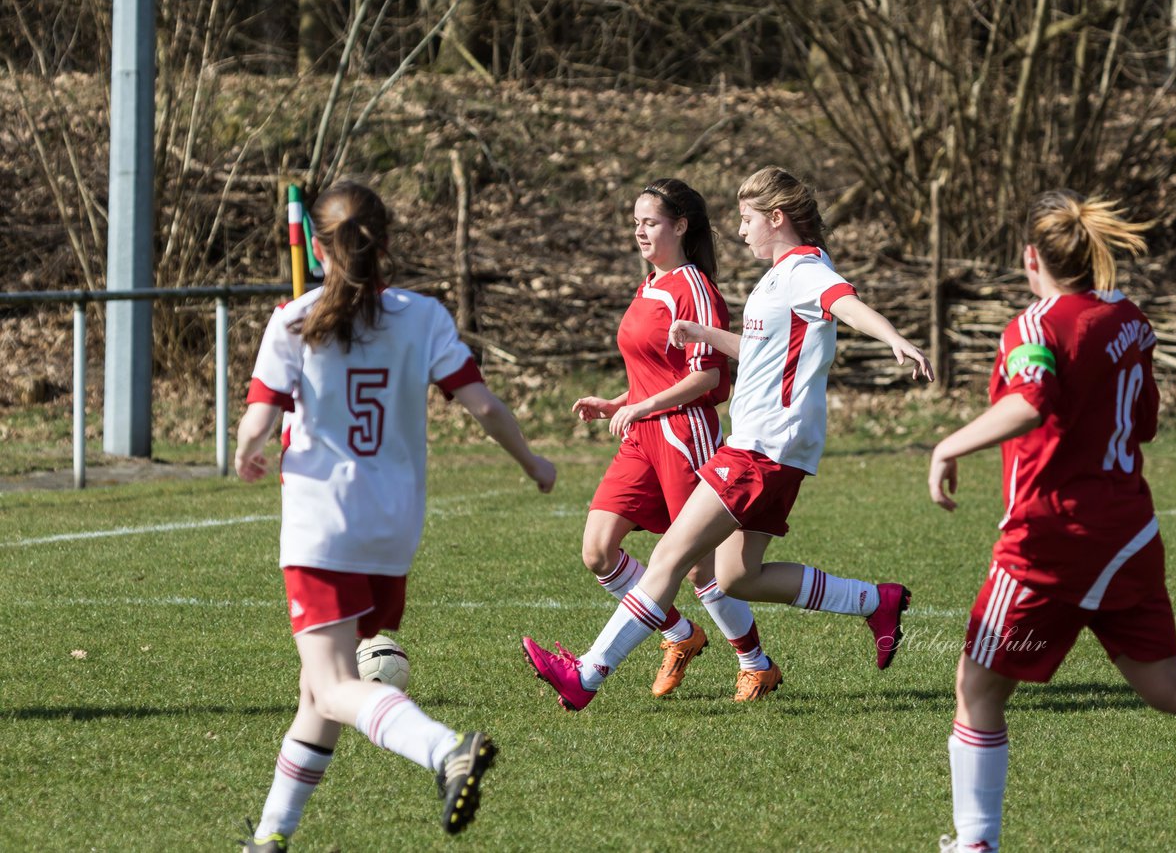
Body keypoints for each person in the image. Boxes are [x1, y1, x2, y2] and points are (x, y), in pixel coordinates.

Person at [928, 190, 1176, 852]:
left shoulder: (1035, 328)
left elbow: (1031, 402)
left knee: (977, 690)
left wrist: (948, 444)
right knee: (1168, 684)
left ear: (1030, 257)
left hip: (1052, 539)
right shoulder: (1129, 318)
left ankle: (974, 844)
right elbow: (1143, 419)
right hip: (1129, 532)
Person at [522, 166, 933, 711]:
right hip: (772, 447)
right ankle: (874, 601)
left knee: (671, 558)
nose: (739, 231)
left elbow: (843, 301)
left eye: (747, 219)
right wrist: (701, 334)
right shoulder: (781, 274)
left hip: (761, 447)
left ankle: (587, 676)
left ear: (777, 218)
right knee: (737, 575)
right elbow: (763, 352)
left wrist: (895, 338)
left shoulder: (803, 269)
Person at [235, 180, 556, 851]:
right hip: (393, 529)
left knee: (333, 683)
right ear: (386, 243)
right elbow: (485, 406)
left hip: (323, 525)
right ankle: (268, 836)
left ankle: (445, 752)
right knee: (315, 695)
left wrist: (248, 450)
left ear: (319, 248)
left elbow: (259, 418)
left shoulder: (293, 321)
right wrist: (532, 463)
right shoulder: (423, 316)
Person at [570, 178, 781, 702]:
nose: (640, 231)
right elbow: (654, 369)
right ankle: (680, 635)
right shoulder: (650, 283)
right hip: (641, 434)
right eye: (636, 222)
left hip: (686, 435)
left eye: (651, 222)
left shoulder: (696, 288)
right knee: (598, 550)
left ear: (681, 226)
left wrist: (641, 405)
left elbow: (707, 377)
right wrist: (620, 403)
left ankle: (756, 664)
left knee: (700, 567)